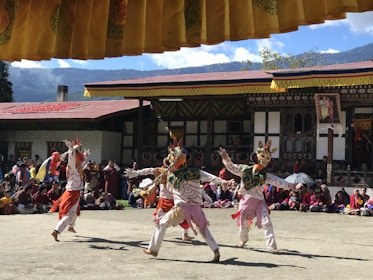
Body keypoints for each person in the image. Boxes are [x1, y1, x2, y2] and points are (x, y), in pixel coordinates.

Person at [142, 138, 233, 263]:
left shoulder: (172, 176)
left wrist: (161, 181)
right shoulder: (195, 172)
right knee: (203, 229)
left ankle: (153, 249)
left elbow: (168, 189)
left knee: (162, 224)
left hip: (181, 208)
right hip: (196, 208)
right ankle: (215, 250)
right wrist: (224, 182)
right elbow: (210, 178)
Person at [219, 139, 301, 252]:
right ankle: (243, 240)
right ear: (257, 157)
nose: (265, 159)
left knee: (267, 222)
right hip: (245, 201)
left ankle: (271, 246)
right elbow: (232, 167)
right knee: (243, 225)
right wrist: (225, 157)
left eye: (267, 158)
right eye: (263, 156)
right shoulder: (244, 170)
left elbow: (279, 181)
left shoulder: (266, 176)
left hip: (259, 202)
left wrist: (292, 186)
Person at [125, 159, 195, 241]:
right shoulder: (162, 171)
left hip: (176, 200)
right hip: (165, 200)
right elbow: (150, 170)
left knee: (184, 216)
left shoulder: (180, 174)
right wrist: (136, 173)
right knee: (160, 219)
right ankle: (157, 234)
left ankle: (185, 234)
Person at [50, 137, 89, 241]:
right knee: (69, 214)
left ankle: (71, 227)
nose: (82, 164)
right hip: (71, 194)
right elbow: (72, 160)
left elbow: (82, 163)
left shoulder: (78, 169)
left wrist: (85, 155)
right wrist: (72, 150)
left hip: (74, 193)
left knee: (75, 211)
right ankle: (56, 231)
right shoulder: (73, 169)